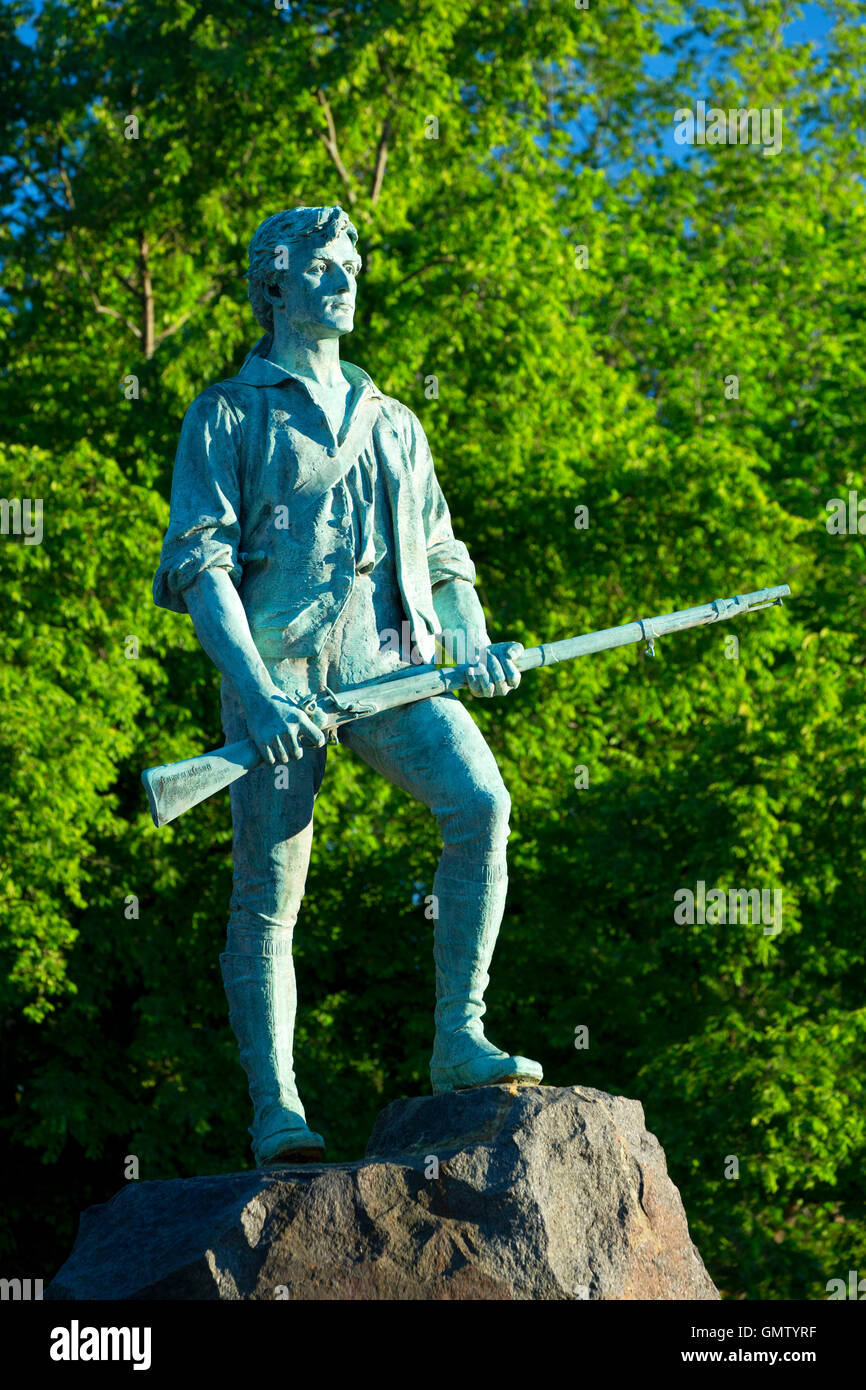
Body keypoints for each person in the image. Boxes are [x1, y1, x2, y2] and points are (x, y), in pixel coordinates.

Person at [153, 205, 542, 1165]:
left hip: (391, 668)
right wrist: (255, 690)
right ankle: (278, 1111)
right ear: (275, 283)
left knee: (482, 802)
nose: (347, 278)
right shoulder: (229, 413)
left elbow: (446, 555)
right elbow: (199, 570)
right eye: (325, 264)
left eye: (354, 262)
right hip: (272, 683)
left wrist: (475, 639)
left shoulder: (394, 420)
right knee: (268, 900)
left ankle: (460, 1033)